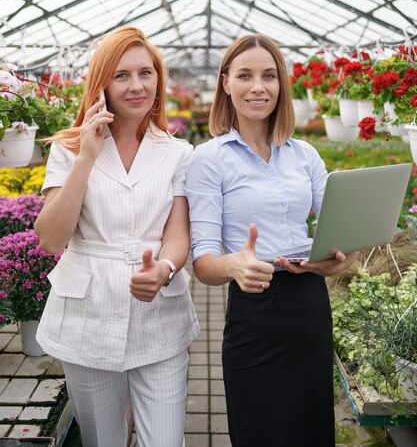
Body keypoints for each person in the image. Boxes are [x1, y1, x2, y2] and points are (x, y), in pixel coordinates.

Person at [184, 34, 358, 447]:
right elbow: (203, 263)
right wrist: (236, 266)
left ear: (281, 84)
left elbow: (344, 239)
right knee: (261, 431)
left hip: (311, 304)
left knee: (313, 429)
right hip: (255, 309)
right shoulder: (209, 159)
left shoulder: (305, 156)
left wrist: (334, 258)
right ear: (226, 82)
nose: (257, 86)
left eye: (268, 75)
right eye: (244, 75)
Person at [35, 25, 200, 447]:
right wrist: (87, 156)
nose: (136, 86)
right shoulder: (70, 148)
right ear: (102, 83)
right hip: (88, 311)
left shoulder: (178, 152)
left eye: (146, 73)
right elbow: (52, 239)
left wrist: (163, 268)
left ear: (159, 79)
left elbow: (178, 233)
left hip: (158, 314)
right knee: (102, 440)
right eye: (122, 75)